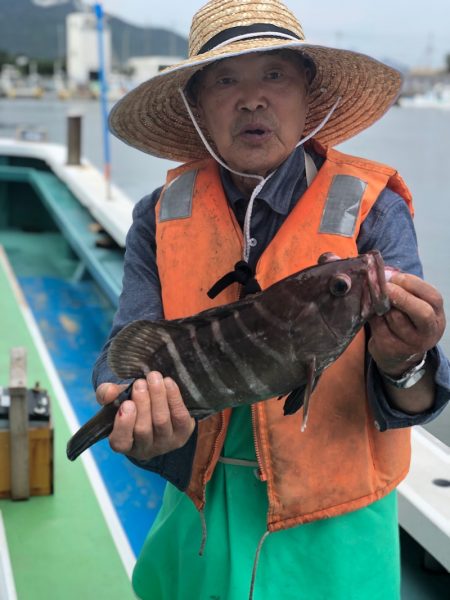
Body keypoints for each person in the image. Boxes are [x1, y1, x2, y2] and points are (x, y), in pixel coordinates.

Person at [92, 1, 450, 598]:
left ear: (308, 96)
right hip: (200, 514)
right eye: (227, 80)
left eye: (275, 76)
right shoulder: (157, 216)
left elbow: (414, 396)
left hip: (337, 534)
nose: (253, 99)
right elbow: (126, 348)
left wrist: (405, 359)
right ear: (198, 107)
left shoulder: (374, 211)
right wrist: (127, 405)